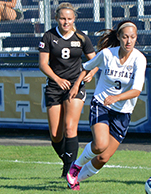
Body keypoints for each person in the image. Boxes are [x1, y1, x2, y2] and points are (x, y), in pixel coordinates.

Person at [66, 20, 147, 191]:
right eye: (125, 37)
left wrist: (117, 98)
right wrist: (76, 85)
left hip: (123, 111)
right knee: (100, 145)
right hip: (101, 104)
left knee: (103, 157)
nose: (129, 41)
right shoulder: (107, 54)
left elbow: (136, 90)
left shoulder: (139, 59)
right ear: (118, 37)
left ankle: (75, 179)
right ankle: (76, 165)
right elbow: (87, 67)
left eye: (132, 37)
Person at [38, 2, 97, 178]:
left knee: (70, 128)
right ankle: (68, 163)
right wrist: (57, 79)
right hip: (55, 87)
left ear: (74, 19)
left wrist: (91, 73)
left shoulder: (82, 37)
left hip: (75, 86)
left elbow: (95, 60)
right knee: (56, 135)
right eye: (63, 18)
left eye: (69, 19)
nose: (66, 22)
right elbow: (42, 64)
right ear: (56, 18)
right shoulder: (48, 36)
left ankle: (69, 172)